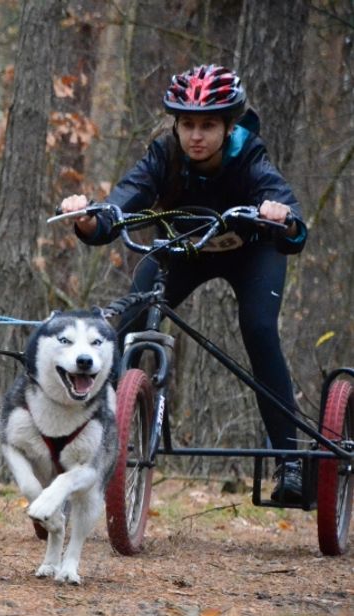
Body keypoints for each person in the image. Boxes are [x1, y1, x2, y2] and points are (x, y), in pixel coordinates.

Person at [59, 64, 309, 504]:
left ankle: (288, 461)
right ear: (175, 125)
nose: (196, 136)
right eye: (187, 125)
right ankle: (85, 445)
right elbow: (120, 205)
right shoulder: (162, 155)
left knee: (259, 329)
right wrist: (87, 218)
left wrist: (282, 218)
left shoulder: (249, 156)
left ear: (229, 126)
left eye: (208, 126)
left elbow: (291, 220)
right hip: (182, 250)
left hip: (252, 253)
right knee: (121, 321)